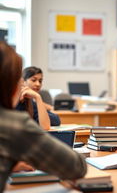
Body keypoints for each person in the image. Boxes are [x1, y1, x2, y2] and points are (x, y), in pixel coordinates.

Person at [0, 41, 87, 192]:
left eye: (40, 81)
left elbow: (53, 121)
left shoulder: (30, 102)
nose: (37, 84)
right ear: (16, 84)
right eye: (32, 80)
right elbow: (77, 167)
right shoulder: (13, 123)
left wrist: (38, 100)